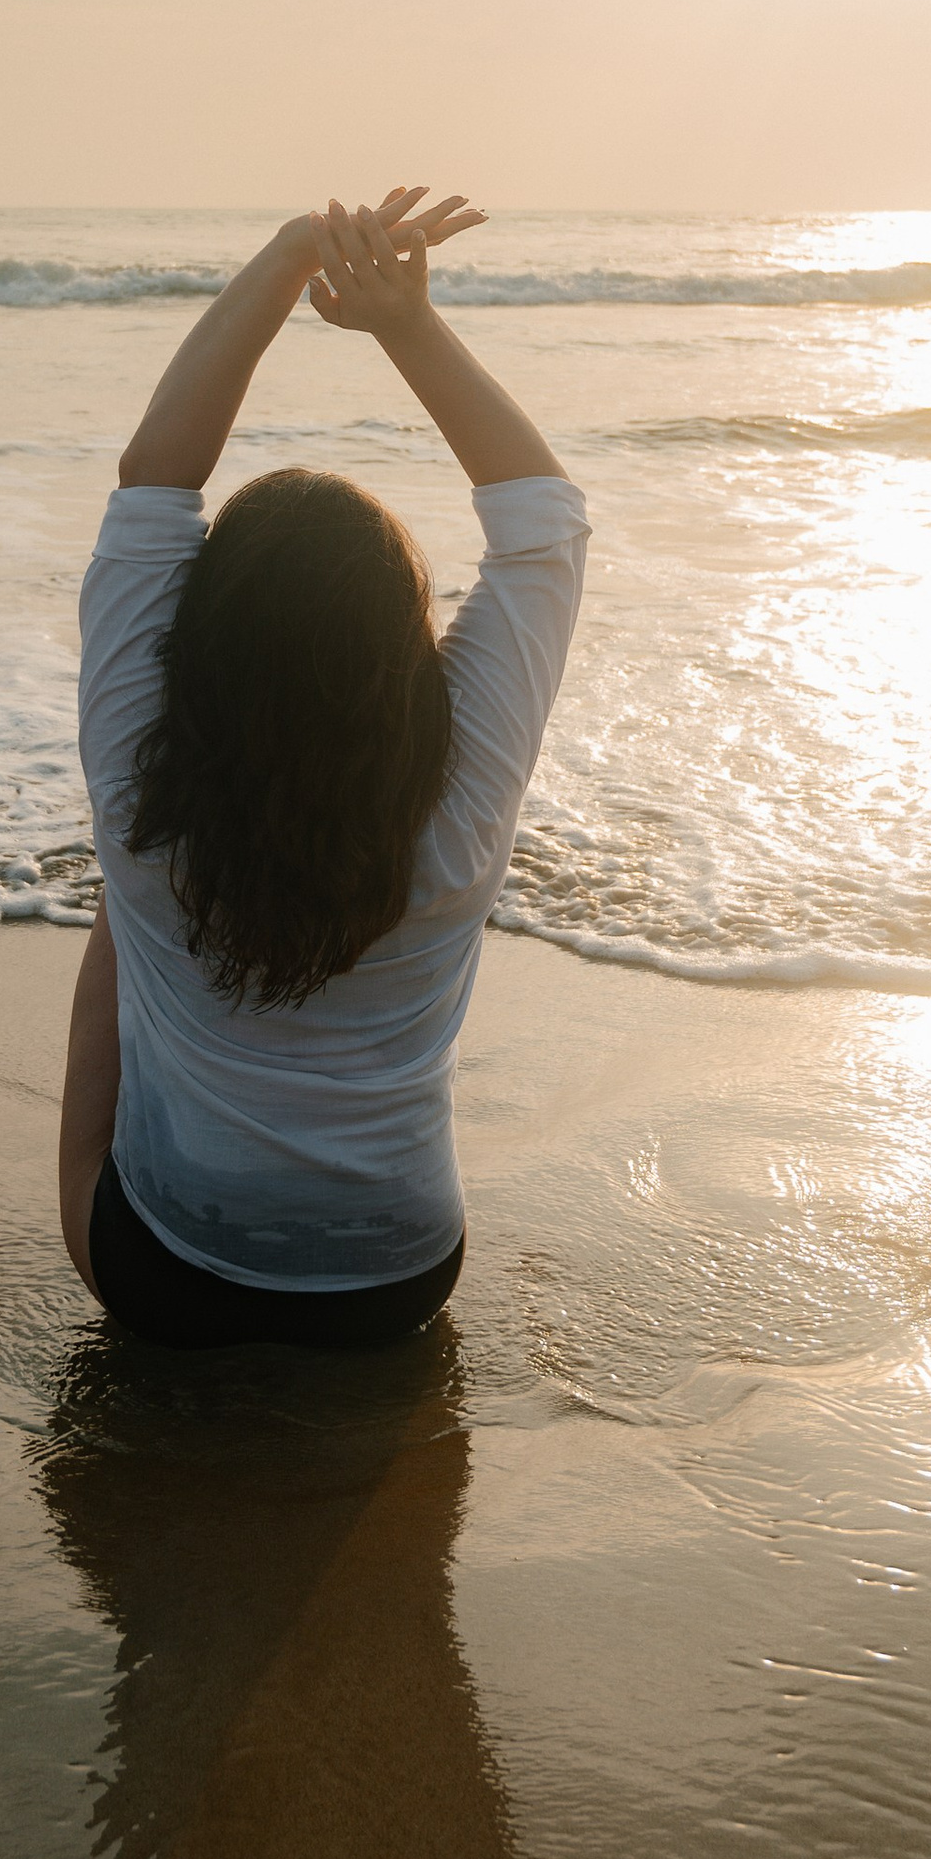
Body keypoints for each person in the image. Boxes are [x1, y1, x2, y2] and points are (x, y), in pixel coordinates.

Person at [60, 186, 588, 1350]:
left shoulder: (138, 778)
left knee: (120, 895)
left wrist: (296, 250)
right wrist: (404, 321)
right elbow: (543, 520)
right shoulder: (463, 789)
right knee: (130, 888)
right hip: (399, 1276)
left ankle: (121, 1251)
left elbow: (151, 479)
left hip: (163, 1270)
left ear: (198, 632)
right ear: (402, 641)